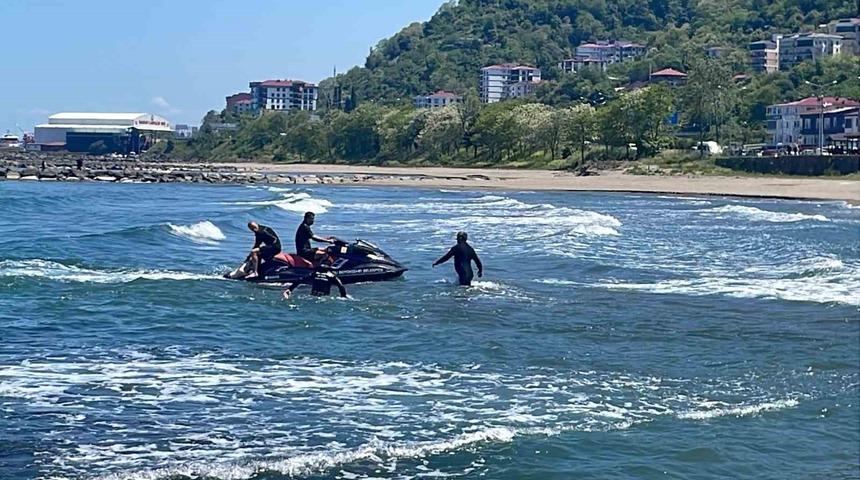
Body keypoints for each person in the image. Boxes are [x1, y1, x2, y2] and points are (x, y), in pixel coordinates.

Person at [283, 265, 348, 299]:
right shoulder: (331, 275)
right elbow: (341, 286)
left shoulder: (314, 274)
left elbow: (300, 280)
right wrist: (343, 296)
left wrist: (289, 289)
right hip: (325, 298)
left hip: (312, 297)